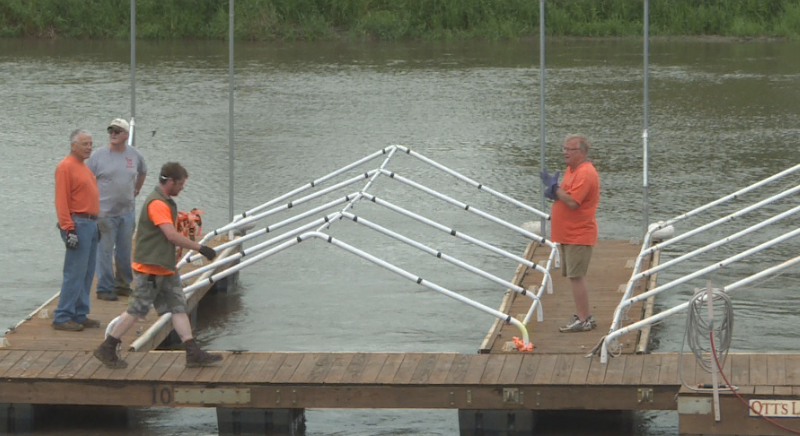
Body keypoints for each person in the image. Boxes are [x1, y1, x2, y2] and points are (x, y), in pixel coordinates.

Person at [94, 162, 222, 368]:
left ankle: (192, 352)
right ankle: (107, 347)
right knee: (137, 311)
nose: (182, 187)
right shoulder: (158, 204)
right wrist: (200, 248)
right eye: (180, 184)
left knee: (179, 307)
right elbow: (171, 235)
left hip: (166, 268)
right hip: (151, 269)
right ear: (170, 182)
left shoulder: (166, 201)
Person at [540, 134, 600, 333]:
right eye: (564, 148)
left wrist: (555, 188)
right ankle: (582, 316)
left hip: (578, 234)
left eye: (570, 149)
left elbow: (573, 202)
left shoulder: (585, 173)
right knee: (573, 276)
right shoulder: (570, 170)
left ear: (581, 153)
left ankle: (584, 319)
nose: (565, 152)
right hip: (567, 233)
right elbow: (564, 195)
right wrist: (555, 192)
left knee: (577, 276)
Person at [86, 118, 147, 301]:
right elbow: (86, 179)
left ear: (126, 135)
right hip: (104, 213)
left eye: (117, 131)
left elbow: (143, 171)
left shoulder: (134, 155)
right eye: (111, 130)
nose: (113, 134)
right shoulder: (98, 156)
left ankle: (122, 284)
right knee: (104, 251)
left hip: (127, 212)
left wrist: (137, 189)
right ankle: (104, 288)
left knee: (124, 249)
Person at [53, 129, 101, 331]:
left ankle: (80, 313)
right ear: (73, 145)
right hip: (78, 223)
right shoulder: (66, 167)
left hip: (90, 223)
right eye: (85, 144)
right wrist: (68, 228)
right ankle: (62, 315)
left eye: (90, 143)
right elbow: (61, 201)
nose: (89, 147)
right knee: (74, 272)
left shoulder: (84, 167)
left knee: (88, 272)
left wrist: (96, 225)